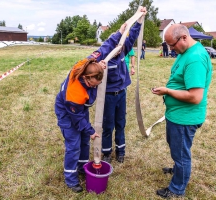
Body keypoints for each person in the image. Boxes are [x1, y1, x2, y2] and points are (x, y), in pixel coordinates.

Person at [54, 22, 129, 193]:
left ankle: (81, 168)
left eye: (97, 85)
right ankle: (71, 179)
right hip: (68, 112)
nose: (94, 87)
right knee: (74, 143)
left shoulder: (88, 62)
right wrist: (90, 130)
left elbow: (106, 47)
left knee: (84, 142)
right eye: (92, 85)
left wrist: (119, 33)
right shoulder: (76, 94)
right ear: (87, 78)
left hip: (79, 110)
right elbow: (77, 118)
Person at [151, 24, 212, 198]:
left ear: (184, 38)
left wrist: (168, 91)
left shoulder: (195, 58)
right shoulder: (186, 52)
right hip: (177, 115)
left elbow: (195, 97)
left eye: (172, 45)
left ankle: (177, 188)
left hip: (185, 118)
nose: (171, 49)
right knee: (177, 149)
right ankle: (179, 170)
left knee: (181, 154)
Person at [87, 6, 147, 164]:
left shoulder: (123, 49)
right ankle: (106, 152)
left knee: (121, 123)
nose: (119, 49)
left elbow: (132, 35)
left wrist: (139, 19)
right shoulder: (103, 58)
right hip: (108, 96)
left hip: (121, 93)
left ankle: (121, 151)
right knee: (108, 125)